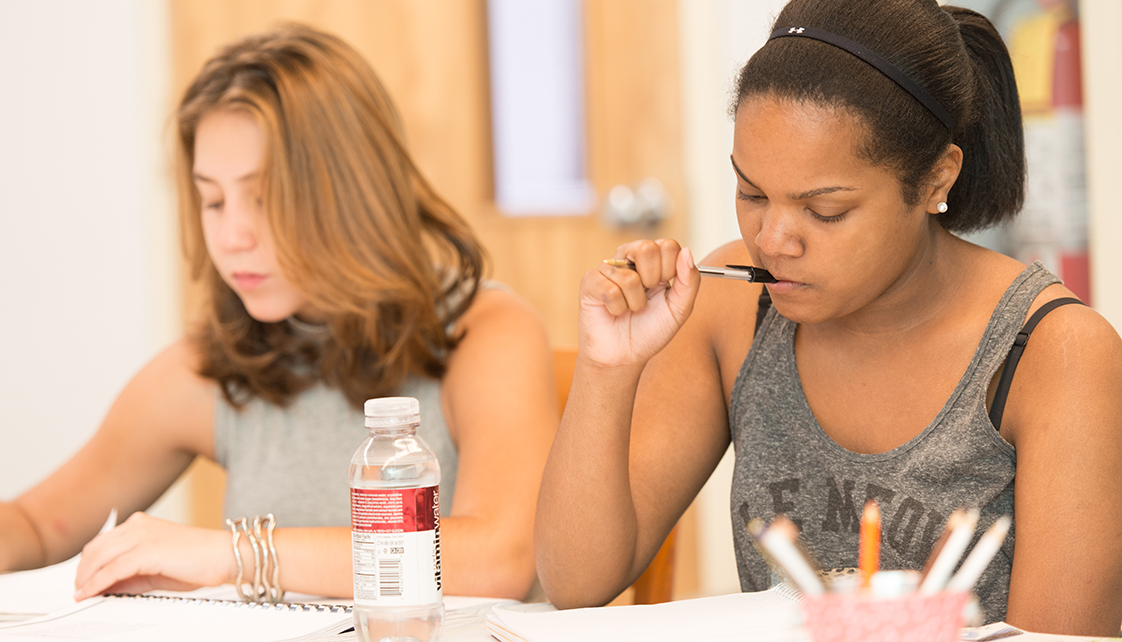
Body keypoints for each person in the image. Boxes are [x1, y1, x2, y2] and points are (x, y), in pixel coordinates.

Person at [535, 0, 1122, 635]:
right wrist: (607, 367)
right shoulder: (735, 309)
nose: (774, 239)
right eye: (752, 194)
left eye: (826, 210)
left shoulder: (1053, 353)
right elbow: (576, 581)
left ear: (935, 180)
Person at [0, 24, 556, 602]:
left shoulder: (486, 332)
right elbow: (38, 527)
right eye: (212, 200)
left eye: (263, 198)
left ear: (351, 191)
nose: (232, 236)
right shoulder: (202, 371)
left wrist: (233, 555)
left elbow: (500, 559)